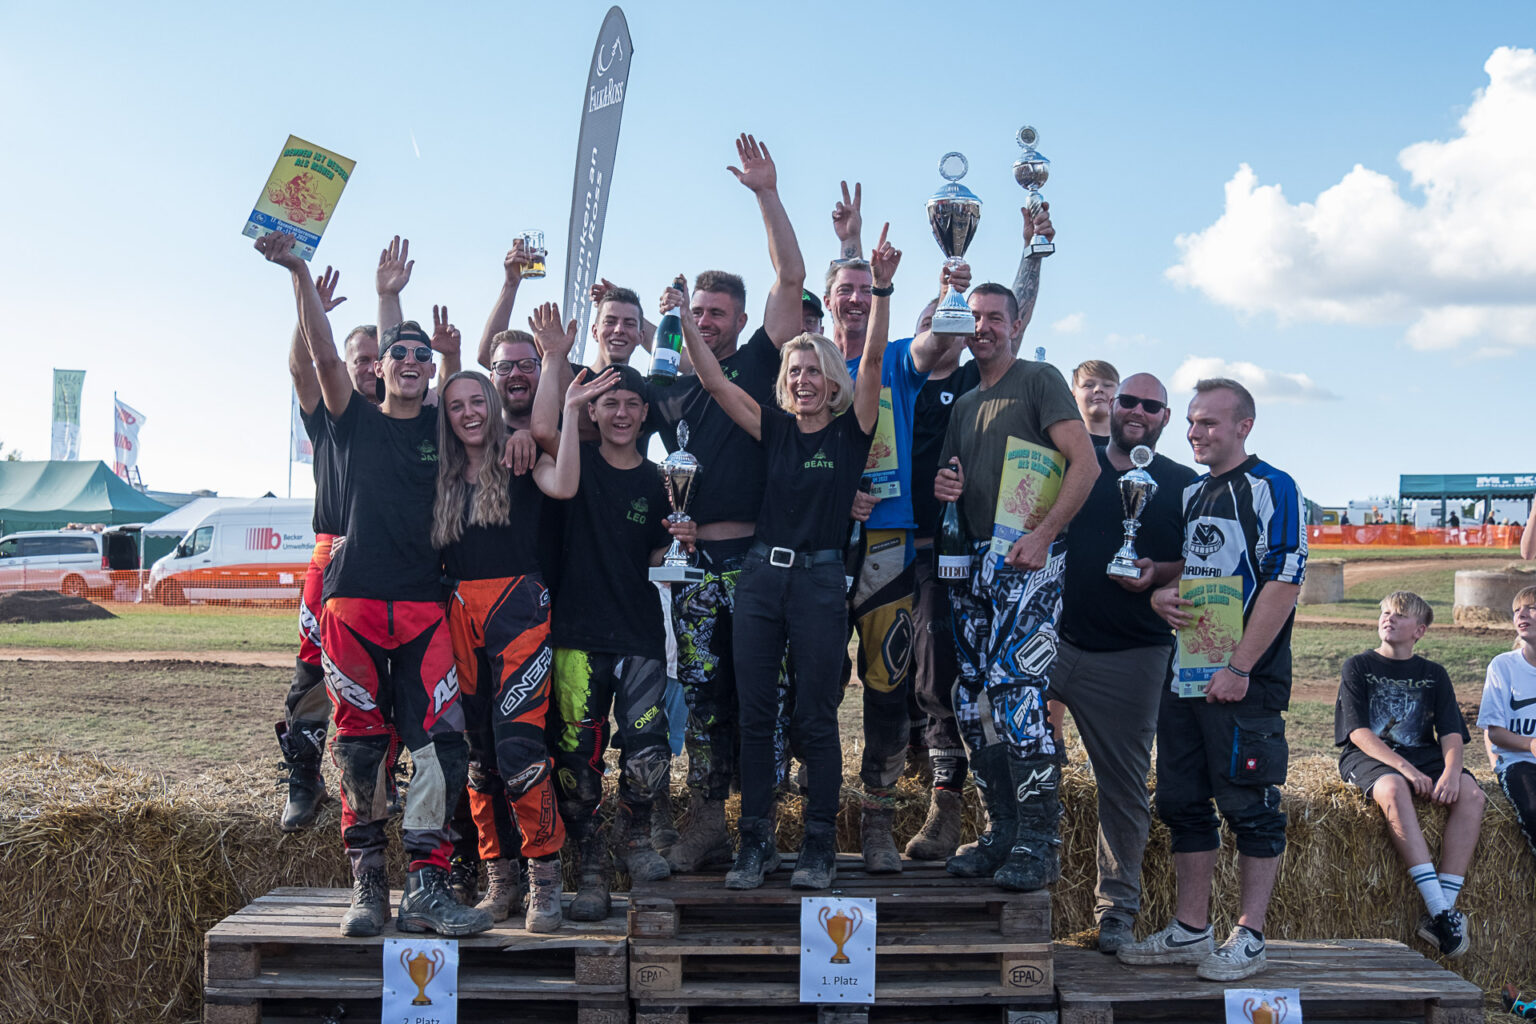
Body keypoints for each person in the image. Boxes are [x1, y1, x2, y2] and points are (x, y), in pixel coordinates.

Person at [256, 229, 485, 938]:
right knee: (360, 747)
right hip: (351, 606)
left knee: (442, 746)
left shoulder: (443, 428)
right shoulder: (351, 419)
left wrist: (399, 305)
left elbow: (474, 401)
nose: (410, 361)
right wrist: (299, 273)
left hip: (424, 608)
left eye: (422, 356)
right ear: (377, 370)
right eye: (398, 354)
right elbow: (323, 355)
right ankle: (368, 886)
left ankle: (428, 885)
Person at [675, 225, 901, 890]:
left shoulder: (852, 431)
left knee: (814, 717)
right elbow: (714, 381)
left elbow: (875, 358)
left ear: (832, 381)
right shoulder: (771, 428)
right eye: (794, 371)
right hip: (759, 581)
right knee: (756, 714)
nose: (803, 380)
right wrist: (684, 316)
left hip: (822, 581)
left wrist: (882, 290)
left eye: (813, 371)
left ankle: (819, 846)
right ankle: (755, 843)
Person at [646, 134, 807, 872]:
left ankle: (759, 830)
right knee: (704, 694)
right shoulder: (670, 383)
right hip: (694, 566)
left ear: (741, 321)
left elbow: (791, 275)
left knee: (762, 696)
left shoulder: (763, 360)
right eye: (698, 312)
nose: (705, 320)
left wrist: (766, 193)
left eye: (717, 312)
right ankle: (708, 820)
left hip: (757, 561)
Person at [1119, 377, 1306, 982]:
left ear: (1243, 427)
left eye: (1209, 423)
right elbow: (1201, 568)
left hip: (1245, 679)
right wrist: (1161, 590)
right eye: (1192, 422)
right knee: (1181, 803)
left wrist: (1240, 667)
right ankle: (1190, 929)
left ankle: (1249, 937)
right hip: (1188, 673)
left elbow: (1284, 581)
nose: (1195, 432)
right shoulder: (1195, 492)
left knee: (1250, 808)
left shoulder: (1274, 486)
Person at [932, 280, 1099, 892]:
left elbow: (1086, 463)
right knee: (972, 699)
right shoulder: (964, 403)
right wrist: (945, 488)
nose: (984, 327)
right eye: (974, 318)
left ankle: (1039, 842)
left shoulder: (1038, 379)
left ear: (1014, 324)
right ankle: (1001, 830)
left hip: (1029, 559)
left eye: (995, 318)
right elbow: (951, 479)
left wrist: (1045, 535)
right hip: (974, 561)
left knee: (1016, 690)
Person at [531, 302, 696, 920]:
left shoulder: (661, 479)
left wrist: (678, 541)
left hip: (639, 632)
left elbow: (654, 550)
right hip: (576, 634)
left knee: (648, 750)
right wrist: (563, 381)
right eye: (609, 404)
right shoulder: (572, 463)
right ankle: (592, 862)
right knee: (577, 757)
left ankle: (635, 836)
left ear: (646, 413)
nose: (621, 412)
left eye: (631, 404)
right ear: (594, 412)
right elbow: (547, 437)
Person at [901, 205, 1055, 859]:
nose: (960, 330)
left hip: (969, 555)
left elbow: (1013, 312)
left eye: (960, 323)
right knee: (924, 684)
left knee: (969, 680)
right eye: (943, 321)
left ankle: (967, 812)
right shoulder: (905, 376)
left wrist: (1032, 251)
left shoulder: (988, 379)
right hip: (896, 548)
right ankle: (967, 814)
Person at [434, 367, 601, 932]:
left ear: (492, 402)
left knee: (521, 750)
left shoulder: (519, 455)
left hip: (519, 610)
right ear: (445, 416)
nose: (469, 413)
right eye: (456, 405)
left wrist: (570, 411)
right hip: (459, 613)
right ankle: (499, 877)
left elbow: (566, 486)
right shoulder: (439, 473)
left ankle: (544, 878)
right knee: (477, 756)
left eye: (476, 401)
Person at [1046, 373, 1195, 951]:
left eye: (1150, 406)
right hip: (1052, 642)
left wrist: (1156, 574)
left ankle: (1116, 911)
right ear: (1111, 405)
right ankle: (1015, 865)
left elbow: (1198, 562)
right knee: (1005, 748)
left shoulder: (1182, 484)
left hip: (1133, 655)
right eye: (1127, 400)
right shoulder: (1074, 463)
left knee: (1124, 788)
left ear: (1165, 417)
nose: (1137, 411)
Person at [1336, 590, 1484, 958]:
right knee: (1393, 788)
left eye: (1400, 615)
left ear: (1419, 630)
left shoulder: (1434, 674)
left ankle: (1441, 912)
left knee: (1472, 794)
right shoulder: (1358, 666)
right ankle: (1440, 909)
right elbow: (1358, 733)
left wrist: (1451, 772)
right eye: (1385, 612)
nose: (1389, 618)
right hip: (1369, 755)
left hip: (1423, 755)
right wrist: (1406, 769)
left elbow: (1451, 733)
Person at [276, 263, 366, 832]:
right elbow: (301, 368)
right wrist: (308, 316)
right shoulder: (330, 418)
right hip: (332, 548)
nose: (368, 367)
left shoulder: (408, 418)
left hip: (394, 556)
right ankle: (304, 776)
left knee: (385, 673)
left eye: (375, 359)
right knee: (312, 666)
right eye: (358, 358)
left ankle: (379, 777)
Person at [1478, 586, 1536, 872]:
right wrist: (1530, 745)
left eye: (1532, 608)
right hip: (1519, 764)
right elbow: (1495, 733)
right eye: (1516, 610)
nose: (1521, 614)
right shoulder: (1503, 666)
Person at [1071, 360, 1120, 445]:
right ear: (1073, 395)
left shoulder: (1132, 442)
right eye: (1088, 385)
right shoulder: (1064, 441)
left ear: (1120, 392)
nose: (1098, 389)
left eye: (1107, 385)